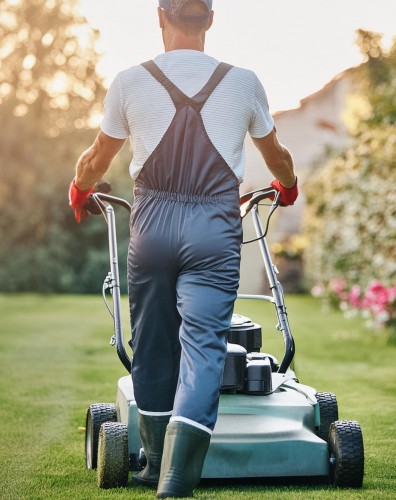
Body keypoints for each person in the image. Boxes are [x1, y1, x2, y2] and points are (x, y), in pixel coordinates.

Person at [69, 0, 297, 497]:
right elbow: (275, 154)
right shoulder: (243, 82)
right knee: (203, 347)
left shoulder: (130, 81)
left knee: (150, 341)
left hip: (152, 226)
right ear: (210, 20)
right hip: (214, 229)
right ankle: (176, 480)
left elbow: (96, 158)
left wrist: (80, 189)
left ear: (160, 17)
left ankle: (152, 464)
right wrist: (288, 183)